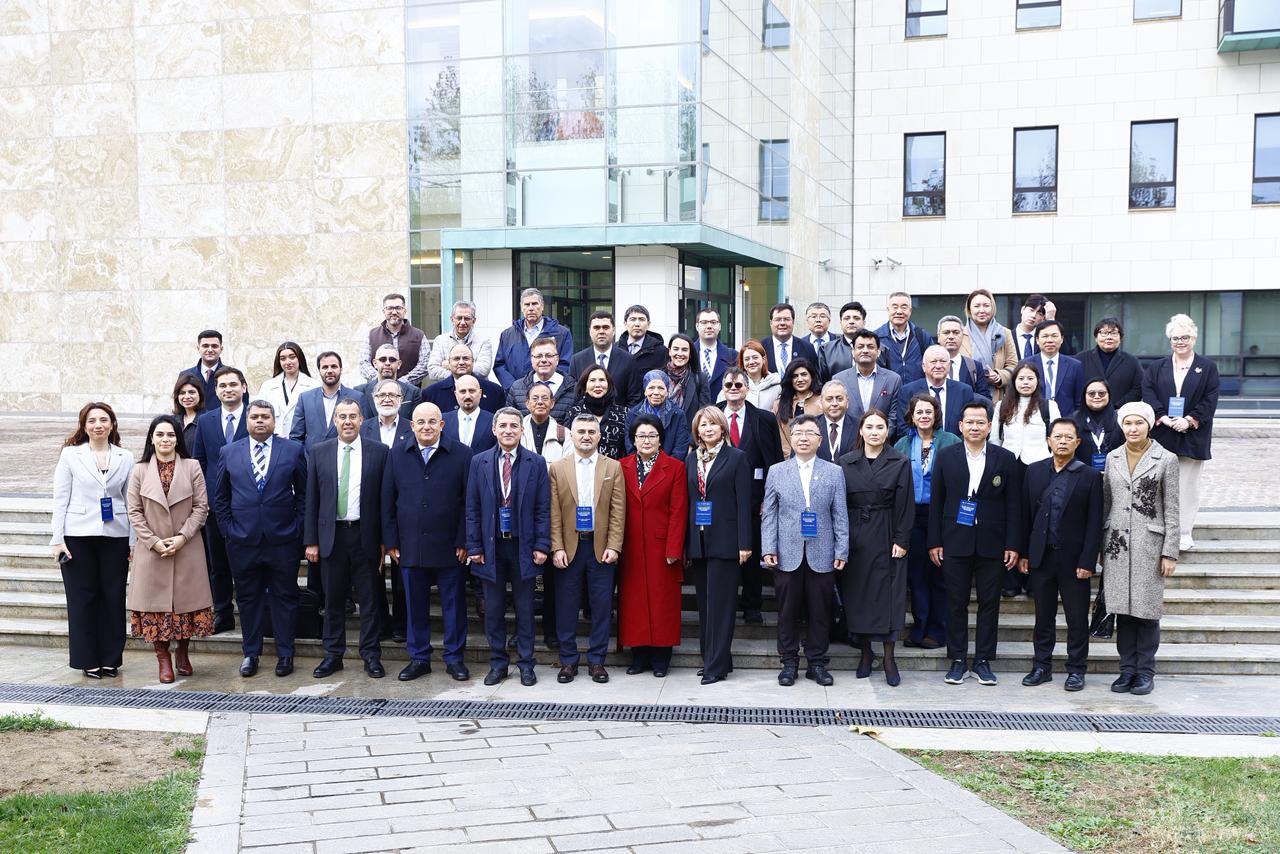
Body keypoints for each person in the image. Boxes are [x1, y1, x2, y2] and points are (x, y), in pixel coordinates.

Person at [928, 401, 1023, 687]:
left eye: (981, 422)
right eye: (969, 422)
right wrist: (935, 541)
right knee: (955, 602)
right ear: (960, 426)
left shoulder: (1005, 459)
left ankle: (982, 660)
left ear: (989, 426)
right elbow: (937, 502)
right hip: (954, 540)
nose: (975, 427)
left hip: (992, 543)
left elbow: (1014, 504)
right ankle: (957, 659)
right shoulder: (946, 456)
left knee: (989, 603)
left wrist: (1013, 544)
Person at [212, 400, 308, 678]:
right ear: (247, 421)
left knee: (285, 598)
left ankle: (286, 654)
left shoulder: (293, 450)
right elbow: (221, 498)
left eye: (266, 416)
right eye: (254, 417)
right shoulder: (229, 452)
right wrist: (229, 531)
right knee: (248, 599)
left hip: (283, 540)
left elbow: (303, 495)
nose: (260, 421)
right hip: (243, 542)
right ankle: (250, 654)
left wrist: (297, 529)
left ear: (274, 421)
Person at [382, 402, 473, 682]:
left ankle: (454, 658)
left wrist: (464, 539)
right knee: (414, 606)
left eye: (432, 421)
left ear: (442, 424)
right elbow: (388, 501)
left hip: (450, 546)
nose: (426, 427)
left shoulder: (462, 454)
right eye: (420, 422)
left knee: (454, 606)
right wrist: (391, 541)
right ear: (412, 425)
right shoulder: (397, 454)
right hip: (410, 545)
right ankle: (419, 657)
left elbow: (468, 503)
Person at [304, 399, 390, 679]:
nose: (348, 421)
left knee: (370, 600)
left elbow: (385, 501)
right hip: (332, 537)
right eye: (342, 416)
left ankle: (371, 655)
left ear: (362, 420)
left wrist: (385, 541)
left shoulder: (379, 452)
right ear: (335, 421)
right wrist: (311, 540)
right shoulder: (319, 452)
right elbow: (312, 499)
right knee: (333, 600)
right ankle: (333, 655)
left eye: (353, 416)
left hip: (365, 535)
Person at [466, 407, 552, 687]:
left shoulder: (536, 463)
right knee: (493, 610)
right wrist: (474, 546)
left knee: (525, 609)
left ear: (522, 429)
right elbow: (472, 508)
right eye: (503, 426)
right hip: (490, 548)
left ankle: (526, 664)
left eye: (514, 426)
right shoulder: (478, 462)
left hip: (522, 547)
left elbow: (543, 508)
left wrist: (541, 544)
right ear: (494, 430)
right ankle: (498, 663)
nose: (508, 431)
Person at [761, 415, 848, 687]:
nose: (803, 438)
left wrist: (842, 550)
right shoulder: (777, 471)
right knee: (787, 611)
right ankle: (788, 662)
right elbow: (769, 514)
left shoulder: (834, 471)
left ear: (819, 440)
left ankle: (817, 663)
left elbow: (840, 514)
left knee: (820, 610)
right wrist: (768, 548)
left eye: (810, 433)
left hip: (823, 552)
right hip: (786, 552)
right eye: (798, 433)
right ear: (791, 437)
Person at [1019, 418, 1104, 692]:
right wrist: (1024, 554)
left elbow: (1094, 524)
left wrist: (1088, 561)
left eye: (1069, 437)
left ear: (1078, 442)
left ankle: (1076, 670)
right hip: (1041, 558)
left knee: (1076, 619)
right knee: (1043, 617)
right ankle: (1041, 666)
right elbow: (1025, 516)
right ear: (1049, 440)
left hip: (1074, 561)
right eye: (1058, 437)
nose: (1063, 441)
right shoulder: (1033, 472)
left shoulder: (1090, 476)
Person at [127, 415, 213, 684]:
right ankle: (163, 658)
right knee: (156, 608)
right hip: (152, 550)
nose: (166, 440)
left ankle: (183, 653)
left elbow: (202, 507)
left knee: (186, 606)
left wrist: (182, 537)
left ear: (178, 438)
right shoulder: (140, 470)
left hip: (186, 547)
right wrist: (152, 541)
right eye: (160, 435)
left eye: (171, 435)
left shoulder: (192, 466)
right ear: (151, 439)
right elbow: (134, 511)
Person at [51, 402, 135, 679]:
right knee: (82, 598)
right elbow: (60, 498)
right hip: (77, 535)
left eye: (103, 420)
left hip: (116, 534)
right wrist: (57, 539)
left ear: (112, 424)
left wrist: (133, 541)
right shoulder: (70, 455)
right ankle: (87, 659)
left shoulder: (125, 456)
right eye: (92, 421)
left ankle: (111, 658)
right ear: (84, 426)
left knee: (112, 597)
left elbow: (131, 500)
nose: (98, 425)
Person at [1101, 401, 1179, 695]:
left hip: (1150, 544)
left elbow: (1172, 508)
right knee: (1122, 611)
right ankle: (1126, 670)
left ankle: (1145, 671)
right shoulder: (1113, 457)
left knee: (1146, 612)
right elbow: (1106, 502)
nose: (1133, 429)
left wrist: (1170, 551)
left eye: (1139, 423)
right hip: (1117, 545)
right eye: (1128, 424)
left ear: (1149, 425)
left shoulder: (1166, 459)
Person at [548, 414, 626, 683]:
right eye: (581, 431)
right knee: (566, 607)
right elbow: (553, 512)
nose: (586, 436)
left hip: (601, 547)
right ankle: (568, 661)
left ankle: (597, 661)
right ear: (571, 435)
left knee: (602, 606)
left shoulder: (612, 468)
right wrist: (556, 547)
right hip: (568, 549)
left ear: (599, 435)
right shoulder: (557, 468)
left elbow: (618, 511)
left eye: (592, 431)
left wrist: (615, 546)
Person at [838, 409, 913, 686]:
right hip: (855, 535)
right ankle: (866, 653)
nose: (874, 432)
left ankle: (890, 656)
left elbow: (906, 505)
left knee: (890, 596)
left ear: (887, 431)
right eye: (869, 427)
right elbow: (839, 504)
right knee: (859, 595)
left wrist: (902, 540)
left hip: (887, 532)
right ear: (861, 430)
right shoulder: (845, 462)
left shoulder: (900, 461)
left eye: (879, 427)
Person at [685, 406, 752, 685]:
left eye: (713, 424)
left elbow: (744, 503)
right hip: (699, 541)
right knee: (705, 605)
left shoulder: (736, 458)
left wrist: (744, 543)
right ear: (697, 431)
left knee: (721, 606)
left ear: (722, 427)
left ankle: (716, 667)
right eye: (703, 425)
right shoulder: (691, 460)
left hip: (727, 542)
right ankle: (713, 657)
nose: (708, 429)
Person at [618, 414, 689, 677]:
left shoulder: (675, 467)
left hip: (662, 546)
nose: (646, 440)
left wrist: (674, 548)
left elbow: (678, 510)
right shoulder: (621, 466)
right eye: (641, 436)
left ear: (660, 439)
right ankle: (638, 657)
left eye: (652, 435)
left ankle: (661, 659)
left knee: (662, 604)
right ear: (633, 439)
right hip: (631, 544)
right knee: (634, 603)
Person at [1142, 313, 1219, 552]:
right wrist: (1162, 416)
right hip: (1162, 433)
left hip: (1192, 435)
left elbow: (1210, 398)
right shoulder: (1157, 367)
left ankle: (1184, 533)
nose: (1180, 342)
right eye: (1175, 338)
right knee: (1156, 485)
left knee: (1187, 486)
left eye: (1184, 337)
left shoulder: (1206, 368)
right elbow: (1148, 392)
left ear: (1193, 338)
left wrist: (1190, 420)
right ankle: (1157, 530)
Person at [717, 367, 785, 624]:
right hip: (722, 499)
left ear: (747, 388)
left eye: (738, 385)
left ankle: (752, 605)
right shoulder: (714, 416)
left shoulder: (764, 419)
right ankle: (728, 603)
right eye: (729, 385)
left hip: (757, 499)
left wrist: (770, 500)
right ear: (723, 388)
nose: (733, 390)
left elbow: (775, 461)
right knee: (725, 553)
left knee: (753, 550)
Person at [895, 393, 960, 650]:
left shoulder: (950, 441)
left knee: (939, 574)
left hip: (942, 515)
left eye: (928, 412)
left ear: (936, 416)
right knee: (917, 575)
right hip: (912, 515)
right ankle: (920, 627)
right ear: (911, 416)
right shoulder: (901, 444)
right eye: (919, 412)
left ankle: (937, 629)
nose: (923, 416)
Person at [191, 366, 249, 633]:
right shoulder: (206, 420)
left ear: (243, 387)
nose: (228, 389)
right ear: (215, 391)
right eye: (222, 386)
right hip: (216, 506)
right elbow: (200, 462)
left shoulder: (255, 416)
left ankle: (250, 612)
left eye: (233, 384)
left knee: (246, 563)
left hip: (248, 505)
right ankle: (223, 612)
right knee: (218, 564)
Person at [992, 360, 1052, 597]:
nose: (1025, 383)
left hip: (1038, 469)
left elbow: (1054, 438)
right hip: (1009, 468)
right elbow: (995, 441)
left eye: (1030, 378)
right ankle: (1010, 579)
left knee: (1035, 522)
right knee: (1010, 520)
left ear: (1037, 381)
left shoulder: (1048, 407)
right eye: (1021, 378)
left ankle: (1033, 580)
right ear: (1014, 382)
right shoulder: (1001, 406)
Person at [359, 378, 411, 642]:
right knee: (372, 571)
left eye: (393, 394)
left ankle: (402, 624)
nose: (387, 399)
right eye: (382, 394)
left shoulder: (411, 428)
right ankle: (379, 622)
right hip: (369, 509)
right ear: (373, 398)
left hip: (403, 510)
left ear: (402, 399)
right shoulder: (363, 427)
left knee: (402, 570)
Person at [494, 287, 573, 385]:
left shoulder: (561, 333)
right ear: (522, 307)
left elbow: (565, 365)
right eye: (527, 304)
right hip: (515, 395)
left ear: (542, 306)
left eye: (535, 304)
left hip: (548, 395)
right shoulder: (507, 335)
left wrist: (544, 387)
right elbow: (500, 366)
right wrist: (514, 388)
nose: (531, 308)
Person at [290, 351, 364, 451]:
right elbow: (296, 437)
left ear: (341, 370)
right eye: (325, 367)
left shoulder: (357, 397)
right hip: (311, 462)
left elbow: (364, 433)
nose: (329, 371)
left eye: (334, 366)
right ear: (319, 370)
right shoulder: (305, 398)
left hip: (346, 459)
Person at [832, 329, 903, 432]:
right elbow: (836, 412)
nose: (865, 350)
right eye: (860, 347)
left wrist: (882, 435)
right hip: (848, 441)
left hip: (882, 440)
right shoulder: (839, 379)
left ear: (878, 352)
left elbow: (894, 415)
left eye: (870, 347)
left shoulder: (893, 380)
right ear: (853, 351)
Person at [899, 345, 976, 437]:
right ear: (923, 366)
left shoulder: (964, 391)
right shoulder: (908, 391)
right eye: (933, 362)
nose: (938, 366)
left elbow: (968, 424)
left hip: (955, 447)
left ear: (949, 366)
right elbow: (903, 427)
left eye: (943, 361)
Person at [357, 292, 429, 385]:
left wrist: (403, 382)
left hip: (410, 393)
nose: (394, 312)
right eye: (390, 308)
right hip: (377, 393)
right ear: (384, 311)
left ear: (404, 311)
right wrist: (381, 381)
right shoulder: (371, 335)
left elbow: (425, 364)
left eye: (398, 308)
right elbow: (363, 363)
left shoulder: (419, 336)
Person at [959, 289, 1019, 401]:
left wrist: (998, 376)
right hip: (966, 396)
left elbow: (1014, 366)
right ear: (969, 309)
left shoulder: (1004, 333)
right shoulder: (960, 333)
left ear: (992, 308)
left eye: (986, 305)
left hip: (997, 397)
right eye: (977, 306)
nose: (982, 310)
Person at [569, 310, 636, 405]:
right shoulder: (577, 360)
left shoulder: (628, 360)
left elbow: (634, 397)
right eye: (596, 328)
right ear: (590, 331)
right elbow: (574, 395)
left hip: (619, 418)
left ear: (613, 330)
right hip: (586, 418)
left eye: (605, 327)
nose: (601, 331)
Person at [256, 342, 321, 438]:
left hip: (302, 443)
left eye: (292, 357)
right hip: (274, 442)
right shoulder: (268, 386)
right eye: (283, 359)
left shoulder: (313, 385)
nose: (288, 362)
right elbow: (259, 414)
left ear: (300, 358)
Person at [563, 365, 628, 459]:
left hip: (613, 471)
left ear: (609, 385)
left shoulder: (623, 413)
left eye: (602, 380)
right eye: (592, 380)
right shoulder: (573, 413)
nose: (598, 385)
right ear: (585, 386)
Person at [421, 343, 505, 414]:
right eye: (456, 359)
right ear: (449, 363)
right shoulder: (431, 394)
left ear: (473, 362)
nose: (461, 362)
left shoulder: (495, 392)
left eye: (466, 358)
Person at [624, 370, 692, 458]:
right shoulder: (633, 414)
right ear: (645, 391)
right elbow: (630, 446)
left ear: (667, 392)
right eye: (651, 388)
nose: (656, 392)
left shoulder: (677, 414)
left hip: (670, 468)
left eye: (661, 388)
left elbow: (680, 448)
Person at [507, 336, 575, 422]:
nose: (543, 360)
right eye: (538, 356)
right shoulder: (517, 388)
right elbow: (509, 421)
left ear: (557, 359)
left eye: (548, 355)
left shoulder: (573, 388)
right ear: (532, 359)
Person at [1079, 317, 1143, 407]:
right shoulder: (1080, 359)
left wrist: (1117, 407)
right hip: (1086, 413)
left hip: (1120, 414)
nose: (1109, 337)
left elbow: (1138, 388)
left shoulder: (1132, 361)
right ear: (1096, 338)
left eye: (1113, 333)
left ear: (1120, 338)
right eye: (1104, 333)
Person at [426, 299, 493, 381]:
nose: (462, 322)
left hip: (476, 390)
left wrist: (449, 365)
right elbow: (432, 371)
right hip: (448, 390)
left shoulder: (483, 342)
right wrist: (461, 373)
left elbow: (483, 370)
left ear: (474, 321)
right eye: (459, 318)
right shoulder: (440, 341)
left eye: (467, 318)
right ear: (452, 319)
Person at [875, 292, 932, 385]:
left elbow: (932, 363)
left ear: (910, 311)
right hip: (888, 393)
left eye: (904, 307)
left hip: (917, 394)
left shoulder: (922, 336)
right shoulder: (877, 337)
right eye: (895, 307)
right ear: (888, 310)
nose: (899, 311)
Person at [1032, 320, 1084, 418]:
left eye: (1054, 336)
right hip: (1034, 422)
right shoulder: (1026, 364)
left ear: (1062, 339)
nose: (1050, 340)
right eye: (1045, 336)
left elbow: (1079, 401)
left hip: (1066, 422)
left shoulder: (1075, 365)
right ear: (1037, 340)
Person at [356, 344, 422, 419]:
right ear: (374, 363)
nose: (387, 363)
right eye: (382, 359)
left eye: (392, 360)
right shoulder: (360, 392)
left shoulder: (413, 393)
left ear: (399, 364)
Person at [774, 358, 823, 457]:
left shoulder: (822, 401)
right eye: (795, 376)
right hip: (789, 460)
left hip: (819, 458)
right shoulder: (779, 404)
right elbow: (780, 438)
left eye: (804, 374)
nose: (800, 379)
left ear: (812, 376)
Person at [936, 315, 991, 401]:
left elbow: (985, 399)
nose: (951, 337)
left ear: (963, 336)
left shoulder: (975, 367)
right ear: (938, 337)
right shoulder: (927, 366)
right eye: (946, 332)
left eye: (956, 332)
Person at [1074, 379, 1124, 471]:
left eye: (1101, 393)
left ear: (1109, 395)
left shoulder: (1121, 418)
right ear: (1084, 396)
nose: (1096, 396)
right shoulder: (1073, 420)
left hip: (1116, 474)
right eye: (1091, 393)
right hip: (1083, 474)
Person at [619, 305, 668, 399]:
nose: (637, 324)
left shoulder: (661, 351)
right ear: (625, 323)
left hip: (650, 405)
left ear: (648, 324)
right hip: (621, 406)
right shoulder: (616, 350)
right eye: (632, 319)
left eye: (641, 319)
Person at [665, 333, 711, 427]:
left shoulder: (700, 378)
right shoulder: (660, 376)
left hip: (688, 437)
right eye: (676, 349)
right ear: (670, 351)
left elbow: (704, 413)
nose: (680, 353)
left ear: (690, 354)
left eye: (684, 350)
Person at [442, 375, 497, 453]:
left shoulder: (494, 421)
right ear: (455, 394)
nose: (467, 396)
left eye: (471, 391)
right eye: (462, 391)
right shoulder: (443, 421)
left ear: (480, 393)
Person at [520, 382, 571, 461]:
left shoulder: (564, 434)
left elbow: (567, 467)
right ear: (527, 403)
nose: (540, 402)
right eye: (535, 398)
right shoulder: (517, 432)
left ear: (552, 403)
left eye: (545, 398)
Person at [725, 339, 781, 412]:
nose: (751, 362)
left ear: (763, 359)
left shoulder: (777, 386)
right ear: (743, 363)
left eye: (755, 357)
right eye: (747, 359)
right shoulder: (732, 385)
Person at [817, 300, 866, 381]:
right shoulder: (826, 350)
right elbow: (821, 382)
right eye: (847, 318)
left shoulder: (880, 349)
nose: (851, 322)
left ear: (864, 323)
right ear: (841, 323)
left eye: (856, 318)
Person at [763, 303, 819, 374]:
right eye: (778, 319)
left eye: (786, 319)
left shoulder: (807, 348)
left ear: (793, 322)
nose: (782, 323)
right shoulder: (761, 348)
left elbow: (815, 378)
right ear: (771, 323)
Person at [694, 308, 737, 392]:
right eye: (704, 322)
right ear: (697, 326)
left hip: (721, 404)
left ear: (719, 326)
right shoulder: (688, 354)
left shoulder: (732, 356)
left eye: (713, 322)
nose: (709, 326)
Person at [181, 329, 225, 410]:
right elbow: (179, 404)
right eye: (205, 346)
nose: (210, 350)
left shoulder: (232, 375)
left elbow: (243, 405)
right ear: (198, 348)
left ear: (221, 349)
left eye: (214, 346)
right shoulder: (185, 375)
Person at [817, 380, 858, 462]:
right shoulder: (811, 426)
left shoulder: (859, 426)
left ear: (847, 402)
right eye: (829, 399)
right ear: (821, 402)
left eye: (839, 399)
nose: (834, 403)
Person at [172, 373, 205, 451]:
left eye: (192, 392)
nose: (187, 396)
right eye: (182, 393)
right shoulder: (172, 421)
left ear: (199, 394)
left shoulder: (209, 420)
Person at [1013, 294, 1049, 361]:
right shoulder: (1008, 336)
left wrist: (1051, 319)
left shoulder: (1043, 338)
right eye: (1031, 310)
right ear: (1022, 309)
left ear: (1043, 318)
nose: (1033, 316)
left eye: (1039, 314)